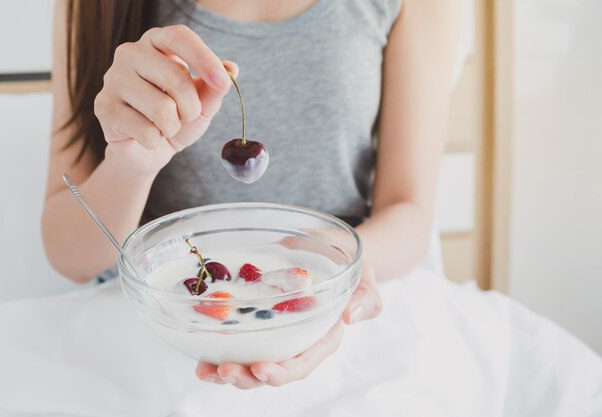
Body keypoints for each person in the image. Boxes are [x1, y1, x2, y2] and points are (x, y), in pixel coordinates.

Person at [41, 0, 460, 389]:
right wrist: (132, 163)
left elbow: (408, 210)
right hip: (151, 330)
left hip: (334, 305)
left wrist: (320, 274)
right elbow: (68, 254)